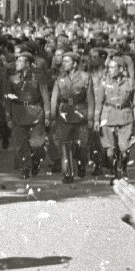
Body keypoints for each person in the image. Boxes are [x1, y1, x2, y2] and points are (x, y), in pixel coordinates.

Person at [94, 55, 135, 180]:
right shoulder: (104, 82)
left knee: (124, 149)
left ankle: (123, 168)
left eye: (112, 67)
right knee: (110, 151)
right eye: (109, 67)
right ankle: (115, 172)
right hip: (108, 118)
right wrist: (96, 120)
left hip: (125, 118)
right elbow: (99, 102)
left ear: (120, 69)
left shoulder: (130, 83)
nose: (109, 70)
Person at [49, 51, 94, 183]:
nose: (64, 64)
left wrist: (90, 118)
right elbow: (54, 98)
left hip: (80, 113)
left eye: (67, 61)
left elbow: (91, 99)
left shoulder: (85, 77)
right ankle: (68, 173)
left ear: (74, 64)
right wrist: (53, 116)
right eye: (63, 61)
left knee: (82, 144)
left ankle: (82, 164)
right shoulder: (60, 78)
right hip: (64, 114)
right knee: (65, 144)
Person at [4, 51, 51, 179]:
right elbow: (7, 98)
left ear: (28, 63)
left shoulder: (38, 77)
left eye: (20, 61)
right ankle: (25, 168)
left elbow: (45, 96)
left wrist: (47, 115)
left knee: (37, 144)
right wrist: (8, 116)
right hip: (19, 112)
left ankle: (36, 161)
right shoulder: (13, 78)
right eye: (17, 60)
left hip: (35, 112)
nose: (17, 63)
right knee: (21, 144)